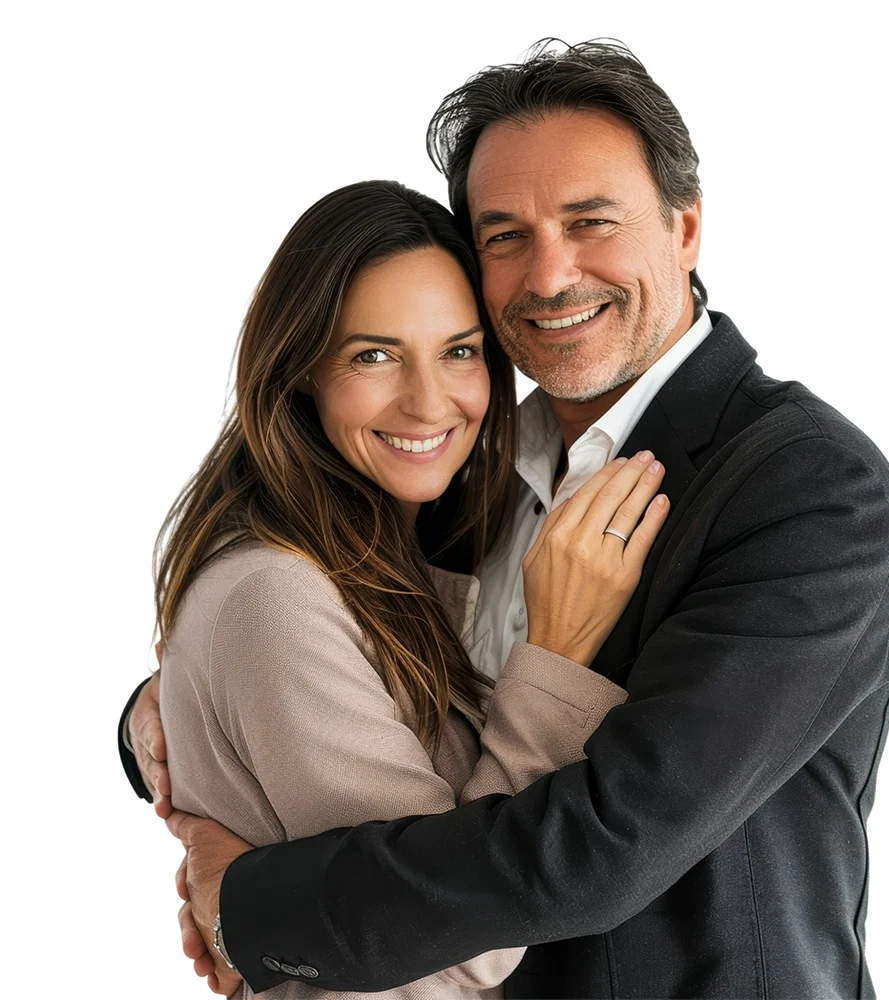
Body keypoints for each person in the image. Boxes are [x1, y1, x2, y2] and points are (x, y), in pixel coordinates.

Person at [122, 39, 889, 1000]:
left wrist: (250, 909)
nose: (548, 276)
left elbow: (602, 845)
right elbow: (338, 664)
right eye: (504, 236)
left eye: (591, 222)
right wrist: (177, 707)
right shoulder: (456, 465)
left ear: (686, 227)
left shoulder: (810, 491)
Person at [135, 178, 673, 999]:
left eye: (459, 351)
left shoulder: (391, 546)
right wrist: (557, 653)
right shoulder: (275, 594)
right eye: (374, 355)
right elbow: (458, 939)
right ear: (300, 369)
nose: (428, 403)